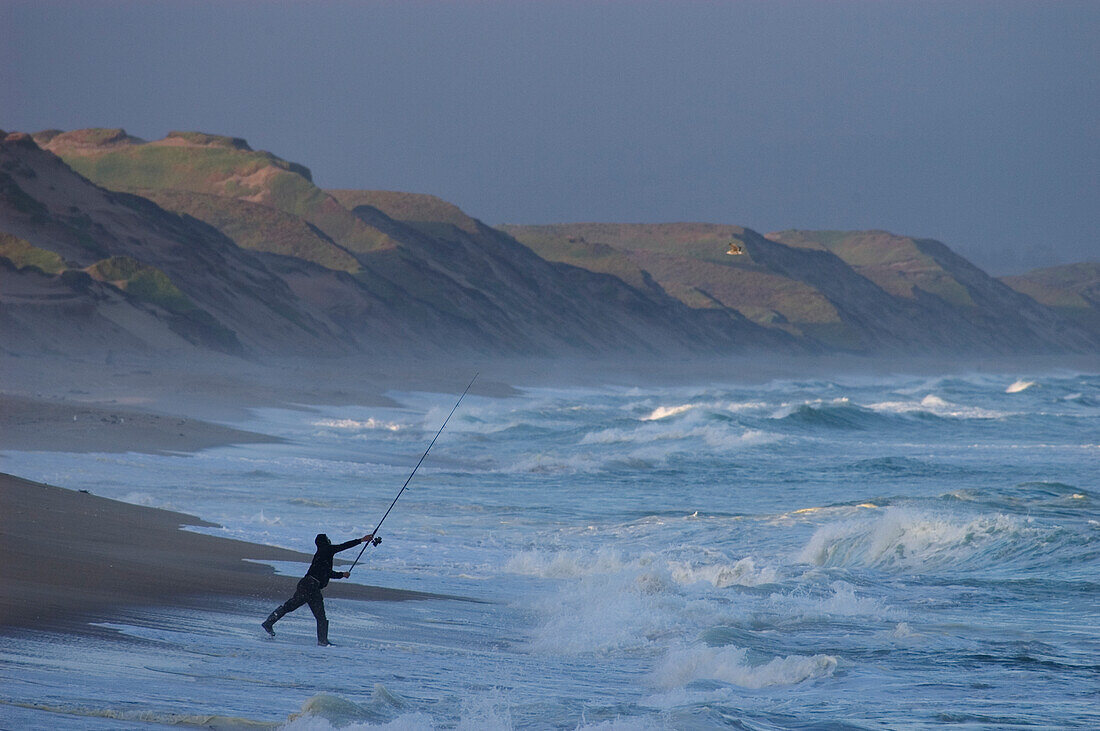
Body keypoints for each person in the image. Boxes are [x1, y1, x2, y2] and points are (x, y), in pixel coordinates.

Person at [262, 532, 375, 646]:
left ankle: (269, 622)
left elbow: (327, 573)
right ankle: (323, 641)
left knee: (289, 607)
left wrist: (342, 574)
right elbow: (343, 546)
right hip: (311, 586)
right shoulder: (326, 550)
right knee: (320, 616)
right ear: (326, 542)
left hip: (306, 584)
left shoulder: (321, 554)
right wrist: (361, 540)